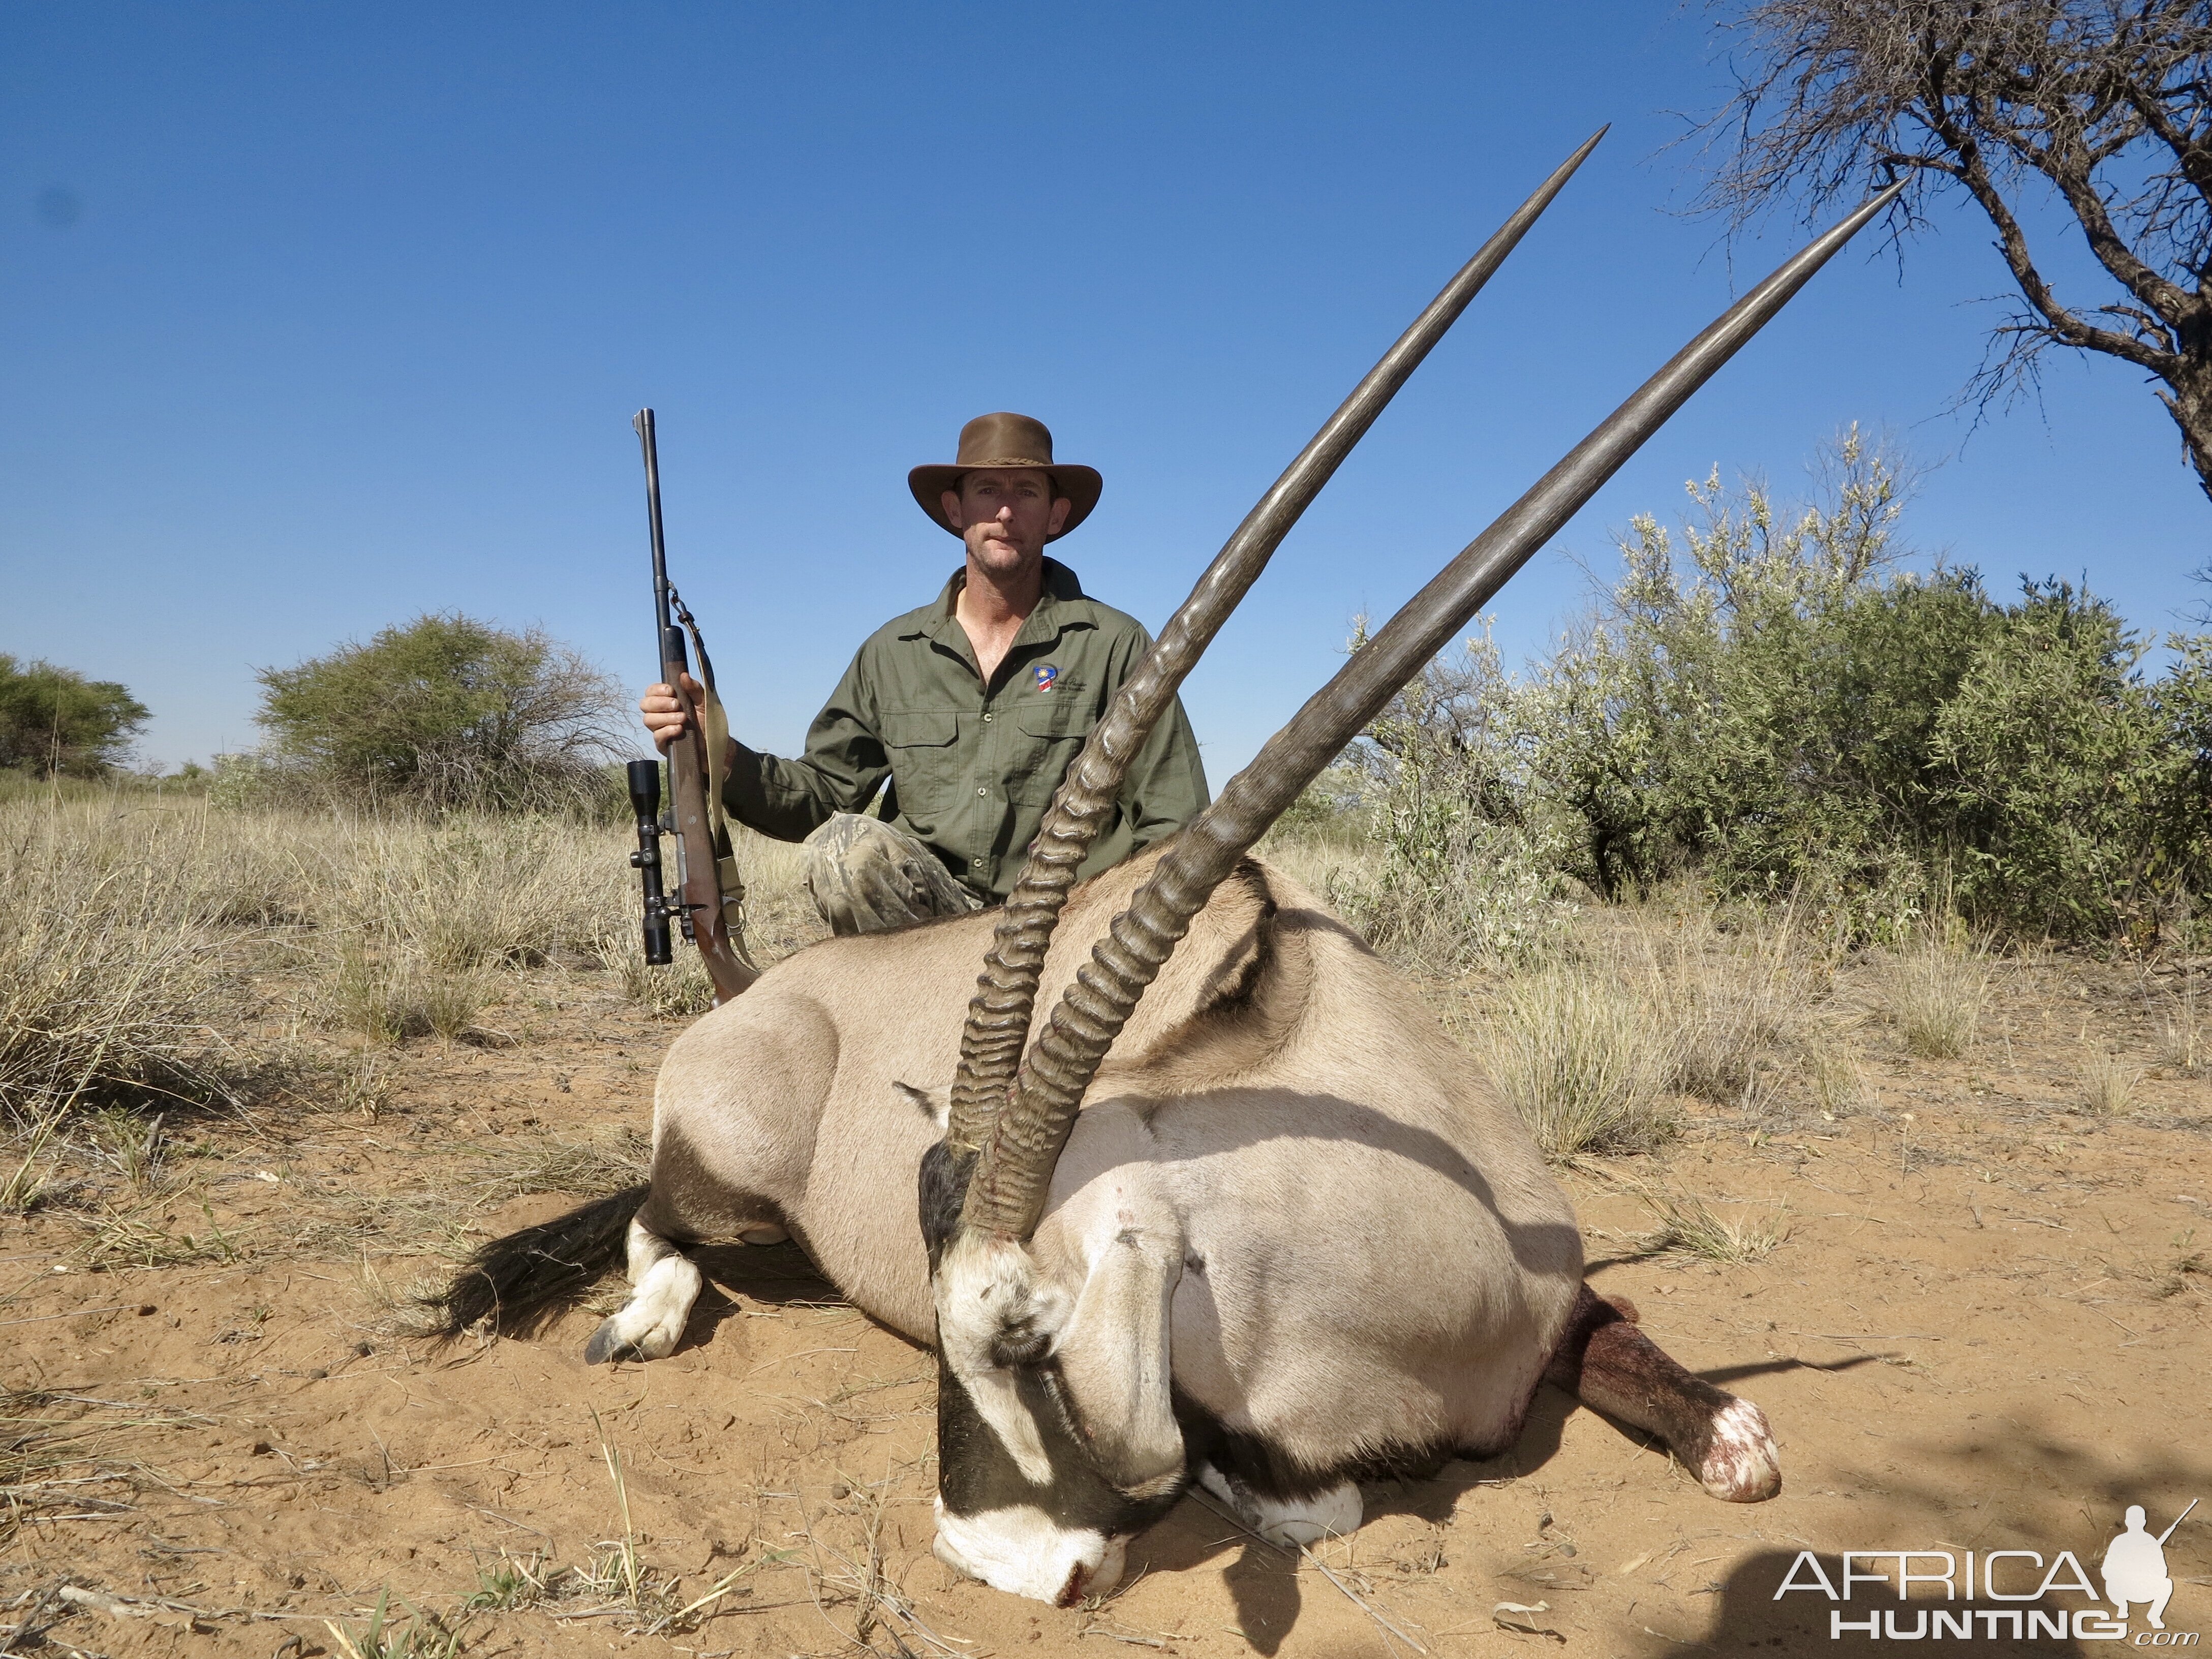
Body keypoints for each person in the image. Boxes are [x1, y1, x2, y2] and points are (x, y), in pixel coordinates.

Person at [640, 412, 1209, 936]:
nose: (1005, 512)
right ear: (955, 511)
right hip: (926, 937)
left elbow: (1172, 819)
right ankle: (906, 1034)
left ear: (1056, 516)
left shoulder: (1117, 643)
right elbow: (822, 796)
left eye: (1026, 492)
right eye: (987, 491)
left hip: (1068, 925)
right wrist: (721, 751)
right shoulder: (891, 652)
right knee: (843, 851)